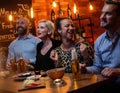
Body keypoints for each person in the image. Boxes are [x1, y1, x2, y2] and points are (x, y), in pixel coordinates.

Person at [80, 1, 120, 93]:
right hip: (106, 87)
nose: (102, 17)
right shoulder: (99, 41)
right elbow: (98, 67)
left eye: (108, 14)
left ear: (118, 17)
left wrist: (118, 71)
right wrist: (84, 69)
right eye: (102, 13)